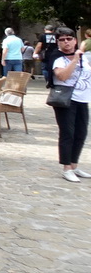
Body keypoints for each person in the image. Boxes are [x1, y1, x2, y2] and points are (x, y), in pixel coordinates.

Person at [50, 28, 91, 183]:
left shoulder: (83, 57)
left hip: (83, 98)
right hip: (65, 100)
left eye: (69, 38)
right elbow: (62, 76)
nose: (66, 42)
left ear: (75, 40)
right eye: (62, 39)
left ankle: (74, 165)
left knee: (81, 133)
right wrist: (74, 60)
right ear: (58, 42)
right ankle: (66, 167)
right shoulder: (57, 58)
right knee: (68, 133)